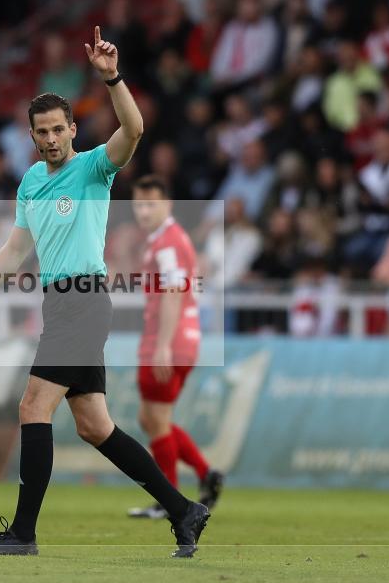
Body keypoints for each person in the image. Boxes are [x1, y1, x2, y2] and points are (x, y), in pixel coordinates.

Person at [0, 26, 209, 558]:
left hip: (84, 301)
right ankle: (184, 511)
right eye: (40, 132)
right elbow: (15, 247)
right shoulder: (30, 182)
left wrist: (112, 77)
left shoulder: (94, 168)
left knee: (32, 406)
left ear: (73, 128)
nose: (50, 139)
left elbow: (135, 129)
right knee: (96, 426)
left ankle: (23, 534)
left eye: (57, 129)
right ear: (32, 137)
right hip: (62, 304)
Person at [126, 175, 223, 520]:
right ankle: (205, 473)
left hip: (167, 338)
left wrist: (163, 345)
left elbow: (172, 292)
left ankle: (169, 500)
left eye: (151, 203)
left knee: (157, 419)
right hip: (184, 337)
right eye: (138, 204)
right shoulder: (170, 239)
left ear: (167, 204)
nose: (143, 211)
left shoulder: (166, 242)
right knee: (151, 418)